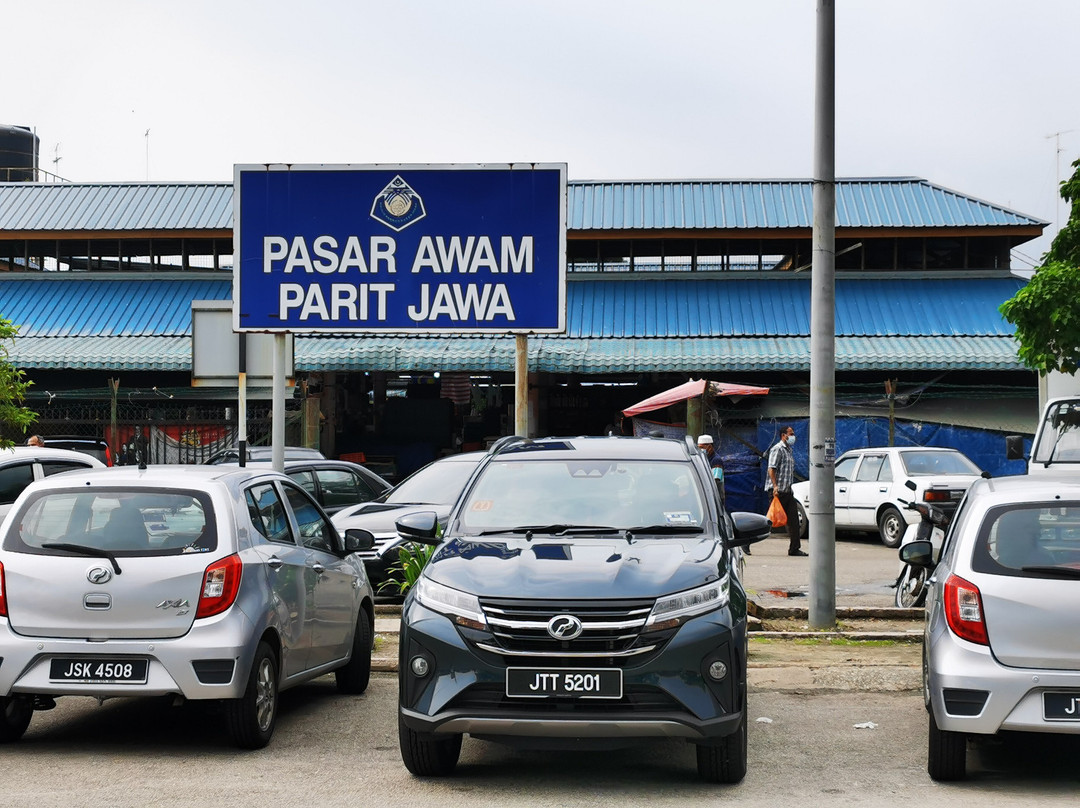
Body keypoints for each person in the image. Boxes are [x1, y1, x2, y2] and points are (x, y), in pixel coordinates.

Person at [765, 425, 805, 556]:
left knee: (794, 521)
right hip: (778, 492)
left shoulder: (789, 450)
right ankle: (748, 540)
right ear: (784, 435)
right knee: (770, 521)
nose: (793, 436)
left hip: (787, 491)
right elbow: (771, 468)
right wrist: (775, 486)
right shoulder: (777, 449)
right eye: (791, 434)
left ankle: (794, 548)